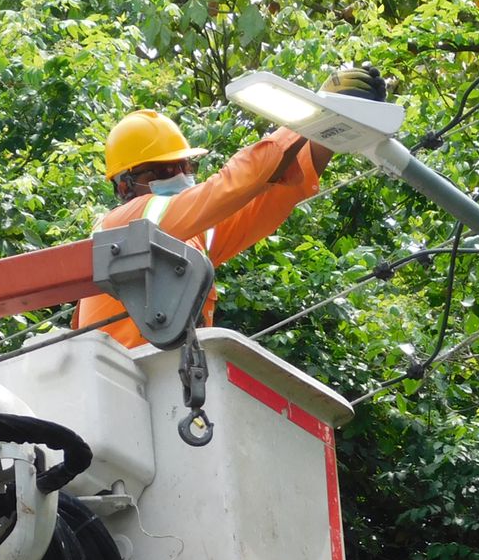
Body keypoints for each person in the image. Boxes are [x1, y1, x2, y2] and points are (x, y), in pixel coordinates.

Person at [75, 66, 386, 348]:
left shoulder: (195, 237)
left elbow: (270, 197)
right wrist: (313, 112)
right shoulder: (120, 226)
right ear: (125, 187)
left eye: (184, 166)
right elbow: (230, 186)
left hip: (168, 380)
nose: (178, 175)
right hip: (121, 380)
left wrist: (330, 123)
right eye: (163, 170)